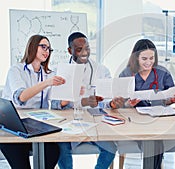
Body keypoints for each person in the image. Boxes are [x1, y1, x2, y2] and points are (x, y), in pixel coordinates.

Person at [0, 34, 70, 169]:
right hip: (14, 127)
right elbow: (21, 97)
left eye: (49, 49)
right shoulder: (16, 70)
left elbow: (55, 104)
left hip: (36, 126)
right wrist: (47, 83)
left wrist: (70, 95)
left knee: (53, 151)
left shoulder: (48, 72)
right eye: (43, 46)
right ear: (32, 47)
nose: (47, 51)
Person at [57, 32, 119, 169]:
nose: (85, 52)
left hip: (94, 123)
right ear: (69, 51)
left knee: (110, 148)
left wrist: (111, 103)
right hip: (69, 122)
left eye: (87, 48)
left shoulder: (101, 70)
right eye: (79, 49)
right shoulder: (60, 71)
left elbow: (107, 100)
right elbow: (56, 104)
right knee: (61, 148)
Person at [118, 39, 175, 169]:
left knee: (155, 140)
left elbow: (167, 97)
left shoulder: (163, 73)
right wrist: (129, 104)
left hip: (159, 121)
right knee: (153, 141)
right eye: (144, 58)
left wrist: (172, 100)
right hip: (135, 122)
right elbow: (119, 103)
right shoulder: (126, 74)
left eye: (152, 58)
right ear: (136, 58)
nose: (148, 62)